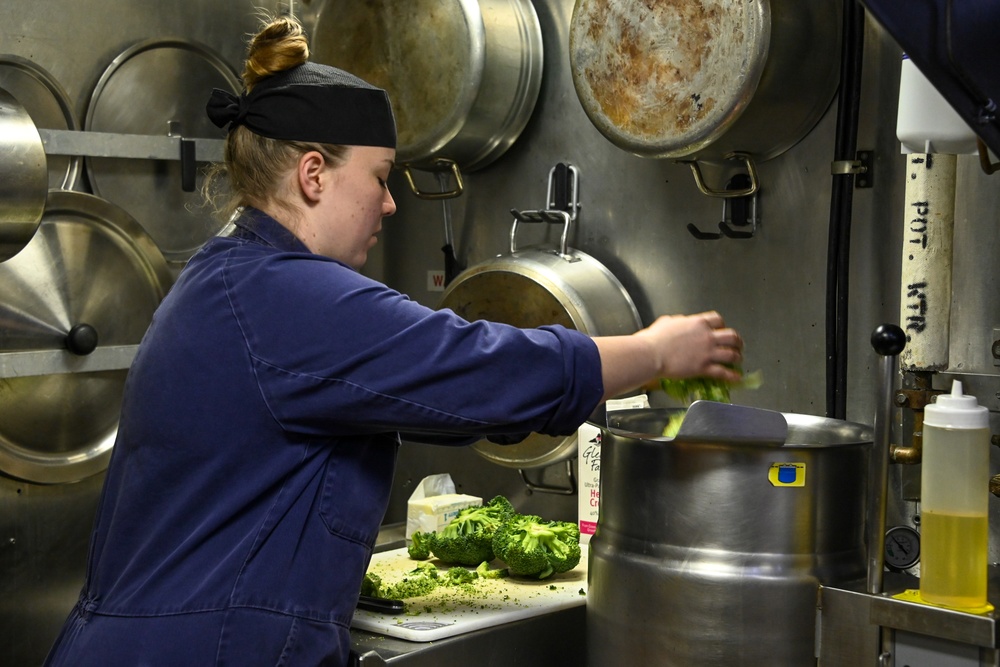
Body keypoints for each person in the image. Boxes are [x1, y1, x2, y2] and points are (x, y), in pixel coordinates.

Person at [43, 15, 743, 667]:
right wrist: (655, 351)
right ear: (313, 175)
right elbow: (474, 368)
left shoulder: (230, 278)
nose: (389, 203)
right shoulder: (283, 296)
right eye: (378, 178)